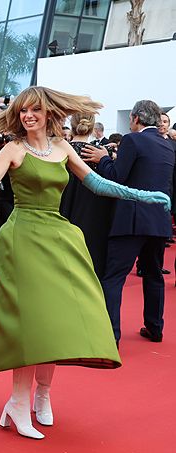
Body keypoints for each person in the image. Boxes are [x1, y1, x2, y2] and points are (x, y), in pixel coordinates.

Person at [0, 87, 170, 440]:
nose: (28, 116)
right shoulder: (12, 149)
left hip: (57, 237)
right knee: (31, 324)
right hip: (22, 239)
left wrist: (141, 196)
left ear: (48, 114)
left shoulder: (62, 148)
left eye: (35, 111)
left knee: (57, 322)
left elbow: (99, 184)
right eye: (23, 110)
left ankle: (41, 396)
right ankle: (18, 401)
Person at [82, 100, 175, 344]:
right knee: (154, 275)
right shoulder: (168, 146)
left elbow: (116, 178)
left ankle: (109, 335)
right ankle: (155, 327)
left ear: (135, 118)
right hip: (158, 220)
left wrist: (103, 158)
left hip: (132, 220)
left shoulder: (133, 140)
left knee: (114, 277)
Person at [59, 113, 114, 279]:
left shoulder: (58, 152)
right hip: (94, 222)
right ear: (92, 126)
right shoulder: (101, 155)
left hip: (62, 216)